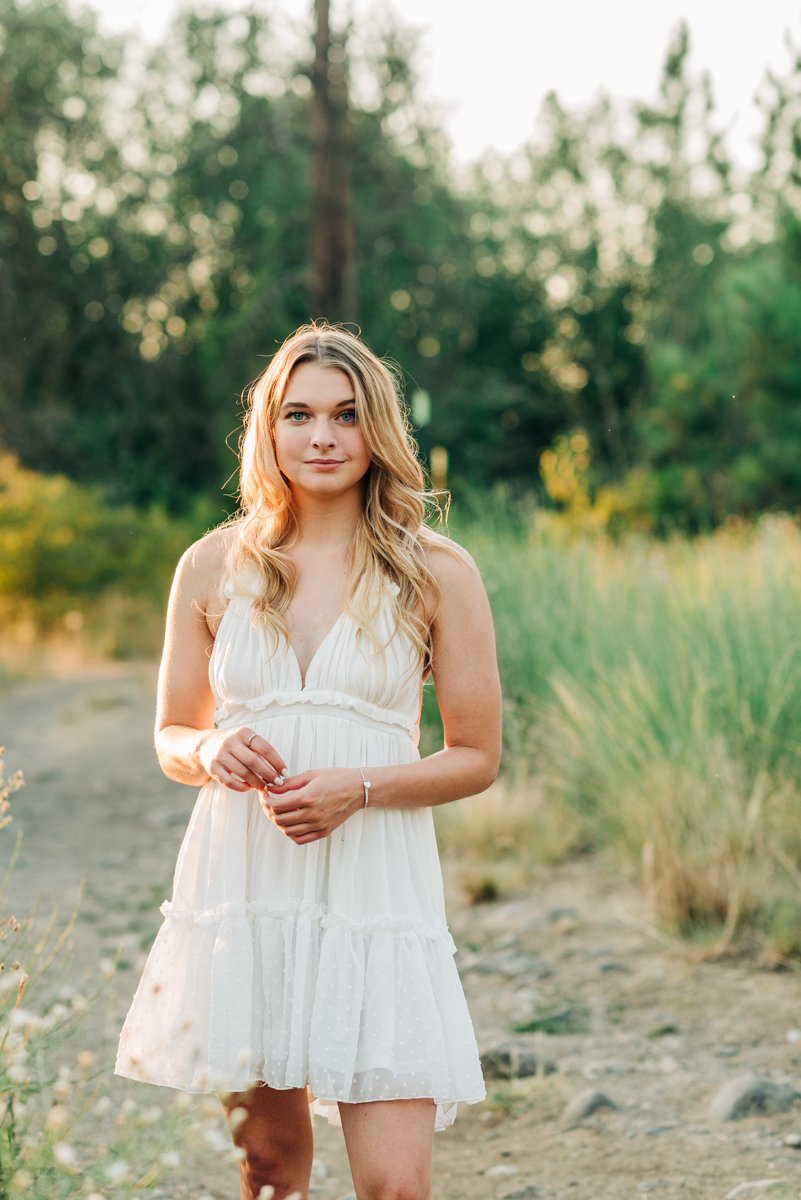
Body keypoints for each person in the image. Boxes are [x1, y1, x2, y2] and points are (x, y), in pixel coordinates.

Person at [115, 322, 502, 1200]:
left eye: (345, 415)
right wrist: (211, 746)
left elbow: (476, 756)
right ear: (269, 429)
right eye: (298, 415)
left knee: (395, 1188)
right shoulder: (212, 565)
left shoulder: (434, 569)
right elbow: (172, 734)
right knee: (270, 1171)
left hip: (375, 893)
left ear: (378, 432)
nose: (321, 437)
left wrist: (357, 790)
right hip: (246, 889)